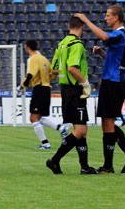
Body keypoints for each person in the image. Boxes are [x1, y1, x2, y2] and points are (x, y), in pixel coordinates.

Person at [75, 6, 125, 174]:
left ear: (116, 17)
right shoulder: (124, 37)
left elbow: (103, 35)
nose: (105, 18)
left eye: (108, 15)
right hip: (116, 81)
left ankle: (110, 166)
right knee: (107, 123)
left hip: (113, 83)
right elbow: (117, 61)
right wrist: (102, 53)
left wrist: (86, 20)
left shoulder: (119, 34)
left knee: (108, 123)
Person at [45, 16, 97, 175]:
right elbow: (72, 68)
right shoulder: (77, 44)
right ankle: (54, 160)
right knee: (80, 130)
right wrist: (85, 84)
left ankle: (85, 166)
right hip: (75, 90)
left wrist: (65, 73)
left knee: (81, 128)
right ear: (83, 27)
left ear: (68, 26)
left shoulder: (61, 44)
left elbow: (53, 70)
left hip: (65, 90)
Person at [18, 40, 68, 150]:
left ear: (27, 47)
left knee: (33, 118)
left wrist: (22, 86)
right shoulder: (44, 59)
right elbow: (52, 74)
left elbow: (30, 74)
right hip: (46, 89)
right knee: (39, 117)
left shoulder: (34, 59)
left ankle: (45, 144)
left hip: (39, 89)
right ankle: (61, 128)